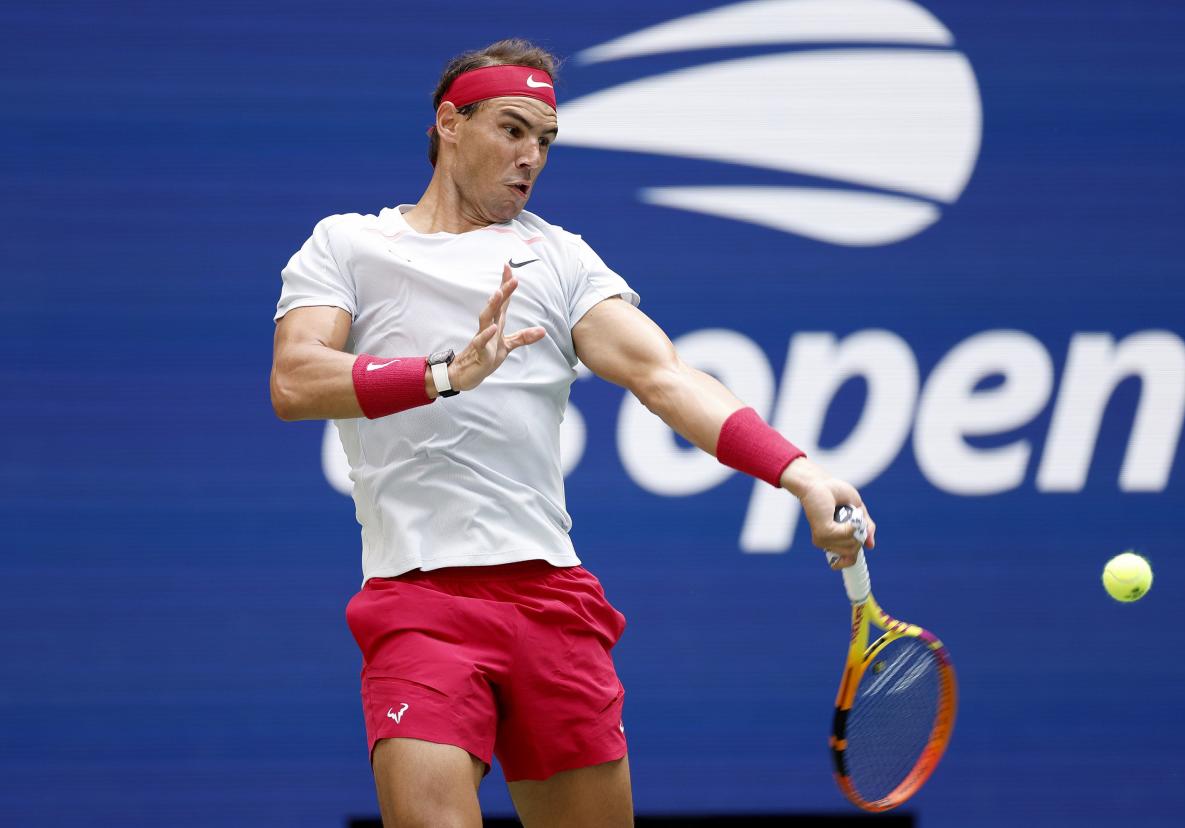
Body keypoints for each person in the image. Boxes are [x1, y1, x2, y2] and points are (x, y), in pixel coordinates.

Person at [270, 38, 876, 828]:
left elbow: (666, 377)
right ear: (450, 123)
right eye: (513, 130)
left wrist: (797, 473)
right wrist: (444, 373)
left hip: (551, 604)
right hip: (418, 604)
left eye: (546, 141)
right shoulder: (350, 246)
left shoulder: (558, 259)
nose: (532, 157)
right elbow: (295, 379)